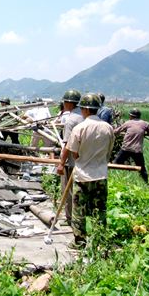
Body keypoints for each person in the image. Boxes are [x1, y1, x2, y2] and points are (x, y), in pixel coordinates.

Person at [62, 93, 114, 248]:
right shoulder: (108, 128)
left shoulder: (79, 128)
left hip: (83, 175)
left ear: (84, 109)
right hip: (101, 174)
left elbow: (74, 152)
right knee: (100, 209)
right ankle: (100, 240)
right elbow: (109, 152)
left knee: (80, 210)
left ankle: (79, 242)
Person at [56, 89, 83, 225]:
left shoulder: (71, 120)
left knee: (69, 192)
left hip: (72, 162)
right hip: (86, 162)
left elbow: (67, 145)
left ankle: (70, 219)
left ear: (67, 103)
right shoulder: (85, 116)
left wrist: (61, 163)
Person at [113, 108, 149, 183]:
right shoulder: (144, 123)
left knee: (115, 164)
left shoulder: (128, 123)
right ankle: (146, 183)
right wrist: (147, 134)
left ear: (131, 116)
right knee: (142, 169)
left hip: (126, 149)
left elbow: (116, 132)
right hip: (137, 150)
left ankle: (114, 180)